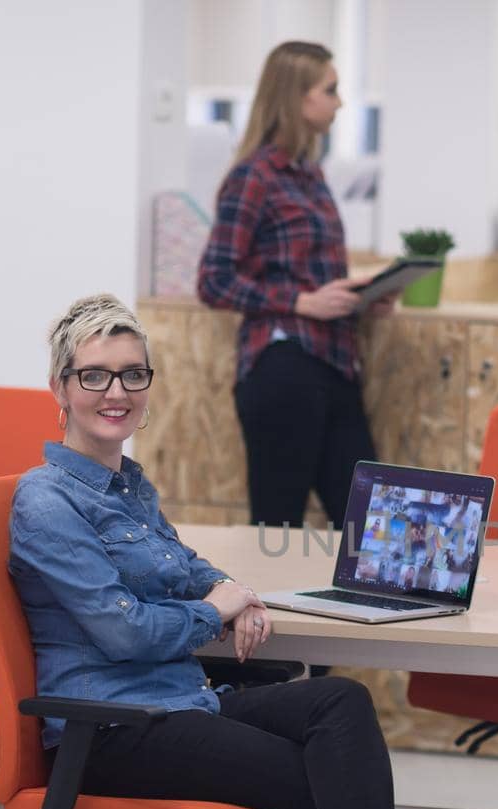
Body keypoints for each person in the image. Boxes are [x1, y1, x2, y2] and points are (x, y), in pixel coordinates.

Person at [9, 294, 479, 809]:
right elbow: (122, 631)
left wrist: (236, 590)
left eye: (133, 375)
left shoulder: (129, 487)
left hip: (179, 705)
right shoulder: (47, 501)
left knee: (340, 704)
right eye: (94, 376)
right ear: (59, 387)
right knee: (337, 782)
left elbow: (186, 567)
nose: (116, 392)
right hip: (113, 728)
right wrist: (211, 611)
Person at [197, 41, 394, 528]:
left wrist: (360, 298)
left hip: (334, 365)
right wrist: (302, 302)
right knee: (277, 528)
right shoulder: (253, 177)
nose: (340, 102)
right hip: (283, 369)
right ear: (297, 97)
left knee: (370, 530)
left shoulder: (310, 175)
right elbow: (214, 280)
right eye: (330, 90)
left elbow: (309, 276)